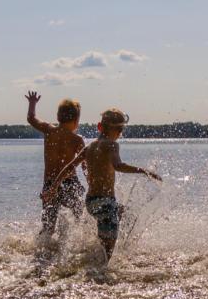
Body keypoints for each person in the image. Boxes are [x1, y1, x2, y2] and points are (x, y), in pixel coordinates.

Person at [43, 107, 161, 260]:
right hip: (105, 203)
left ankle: (100, 251)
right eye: (120, 131)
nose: (120, 134)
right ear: (119, 131)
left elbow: (69, 167)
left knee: (122, 213)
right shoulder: (112, 145)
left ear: (99, 126)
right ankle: (102, 268)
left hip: (91, 202)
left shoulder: (89, 147)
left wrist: (53, 187)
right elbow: (118, 166)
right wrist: (144, 171)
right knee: (108, 251)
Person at [26, 90, 86, 235]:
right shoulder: (77, 140)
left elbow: (31, 119)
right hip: (70, 183)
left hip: (50, 183)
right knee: (81, 217)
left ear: (58, 117)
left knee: (48, 227)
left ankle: (41, 251)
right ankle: (83, 244)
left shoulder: (49, 130)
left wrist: (32, 103)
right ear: (76, 121)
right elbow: (86, 166)